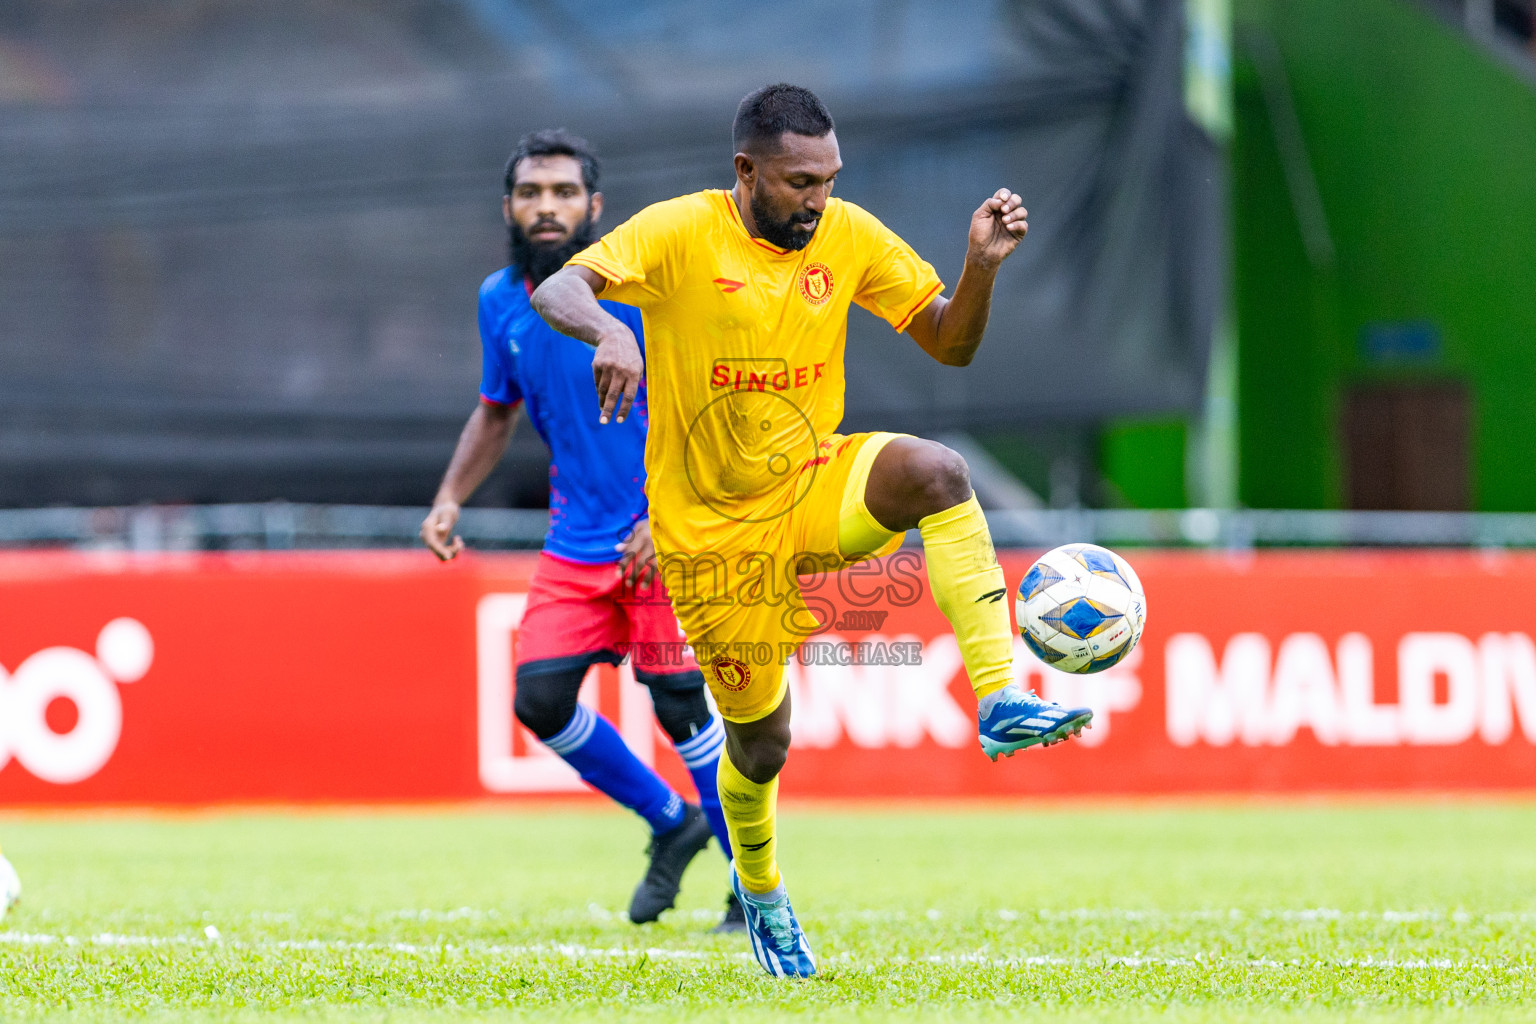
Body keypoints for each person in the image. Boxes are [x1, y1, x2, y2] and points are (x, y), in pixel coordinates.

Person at [531, 85, 1093, 977]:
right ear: (746, 171)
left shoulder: (848, 235)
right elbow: (561, 285)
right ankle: (761, 895)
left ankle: (998, 698)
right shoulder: (678, 231)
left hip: (811, 481)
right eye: (799, 183)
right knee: (763, 743)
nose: (818, 200)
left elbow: (949, 342)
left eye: (829, 180)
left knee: (937, 474)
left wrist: (981, 266)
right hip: (710, 537)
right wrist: (610, 331)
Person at [420, 129, 742, 932]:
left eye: (565, 192)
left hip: (661, 538)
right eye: (532, 192)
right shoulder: (501, 299)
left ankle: (750, 884)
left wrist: (674, 519)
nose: (547, 206)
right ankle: (673, 823)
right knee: (540, 699)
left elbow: (720, 410)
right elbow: (497, 411)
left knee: (681, 705)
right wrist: (450, 497)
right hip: (575, 545)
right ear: (509, 208)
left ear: (595, 207)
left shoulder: (644, 293)